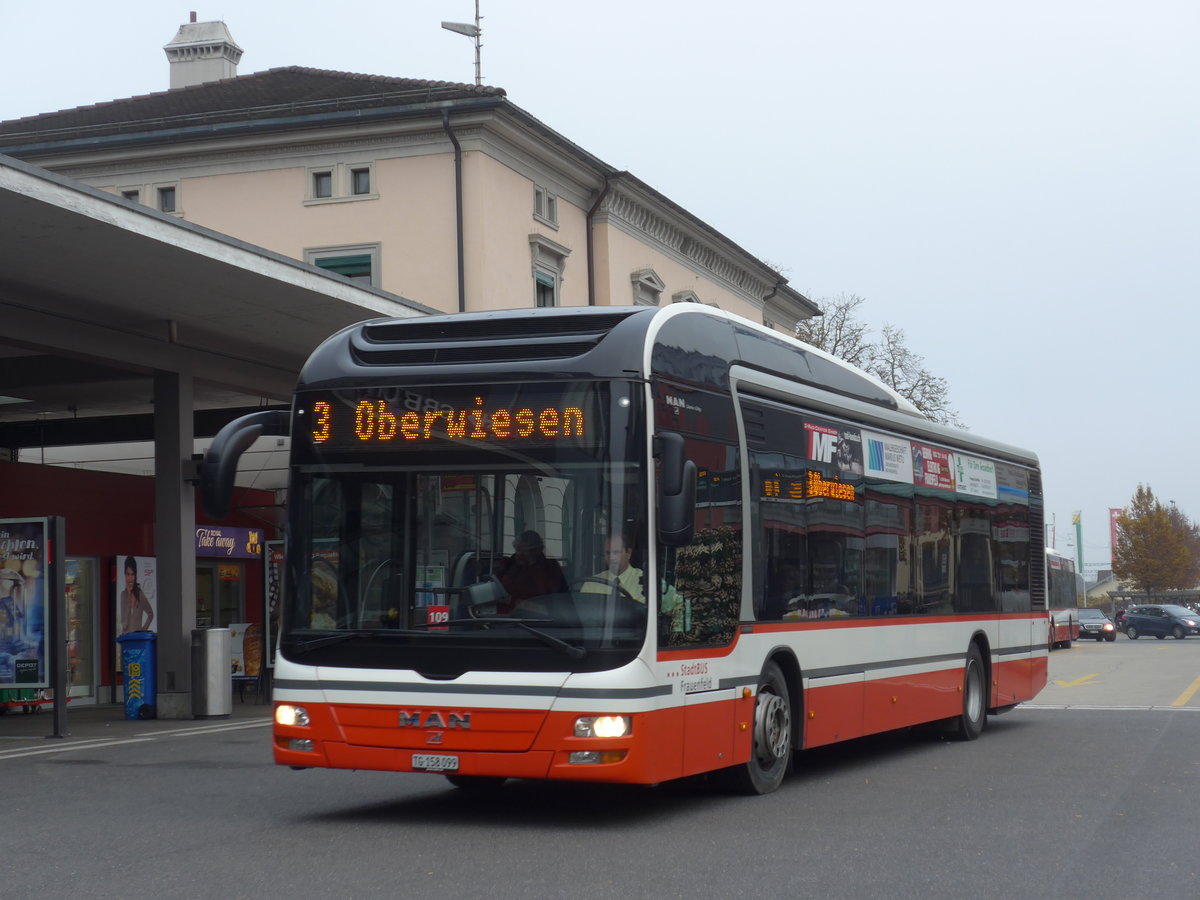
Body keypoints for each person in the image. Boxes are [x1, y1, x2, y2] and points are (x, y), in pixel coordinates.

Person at [493, 530, 567, 613]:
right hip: (501, 619)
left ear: (538, 550)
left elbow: (546, 605)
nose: (520, 554)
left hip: (534, 621)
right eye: (518, 549)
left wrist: (532, 562)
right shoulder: (509, 564)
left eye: (526, 550)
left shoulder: (550, 567)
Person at [581, 534, 646, 602]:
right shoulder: (591, 584)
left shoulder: (644, 582)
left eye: (616, 552)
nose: (611, 558)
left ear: (628, 553)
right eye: (608, 553)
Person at [119, 556, 154, 634]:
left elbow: (150, 614)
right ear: (125, 575)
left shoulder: (139, 594)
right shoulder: (123, 595)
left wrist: (143, 629)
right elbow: (124, 623)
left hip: (137, 637)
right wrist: (129, 595)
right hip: (126, 637)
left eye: (132, 574)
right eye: (128, 574)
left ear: (135, 576)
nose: (130, 578)